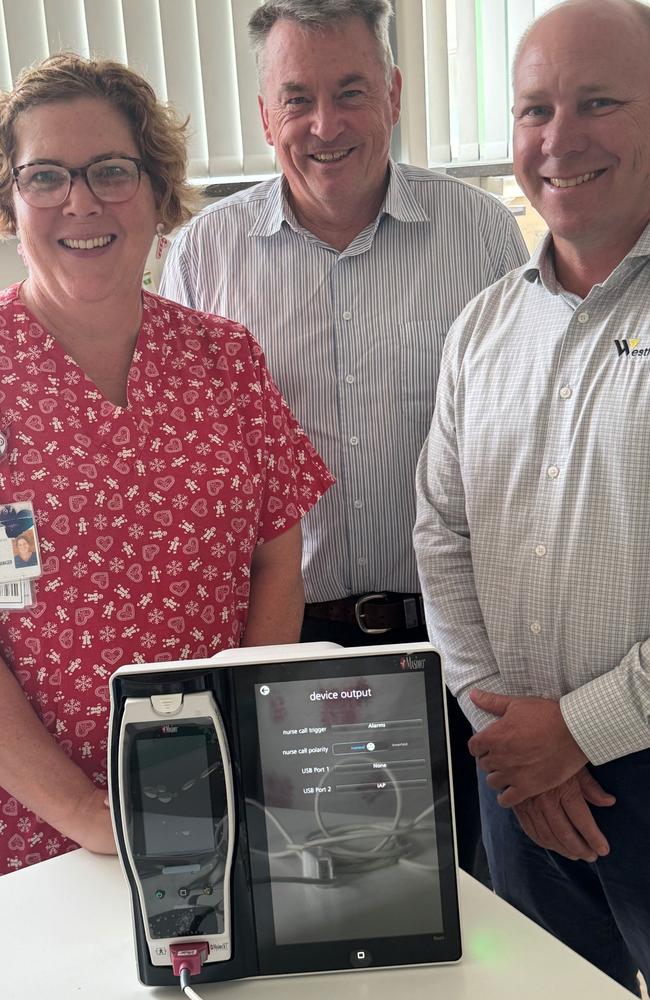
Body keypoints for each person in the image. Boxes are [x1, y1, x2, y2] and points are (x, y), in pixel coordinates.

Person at [160, 0, 528, 880]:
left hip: (457, 650)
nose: (324, 125)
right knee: (316, 901)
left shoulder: (480, 235)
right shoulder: (203, 256)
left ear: (394, 94)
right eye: (297, 99)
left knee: (474, 910)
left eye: (351, 91)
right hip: (289, 653)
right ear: (263, 115)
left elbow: (519, 434)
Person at [0, 53, 334, 876]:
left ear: (157, 190)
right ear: (11, 202)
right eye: (44, 176)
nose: (80, 201)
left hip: (224, 799)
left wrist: (239, 746)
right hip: (40, 832)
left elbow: (277, 560)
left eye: (111, 171)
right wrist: (88, 815)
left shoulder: (226, 358)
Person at [414, 0, 650, 991]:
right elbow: (439, 535)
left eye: (595, 101)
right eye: (532, 110)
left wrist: (572, 734)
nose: (557, 141)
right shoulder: (479, 328)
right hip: (511, 770)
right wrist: (499, 726)